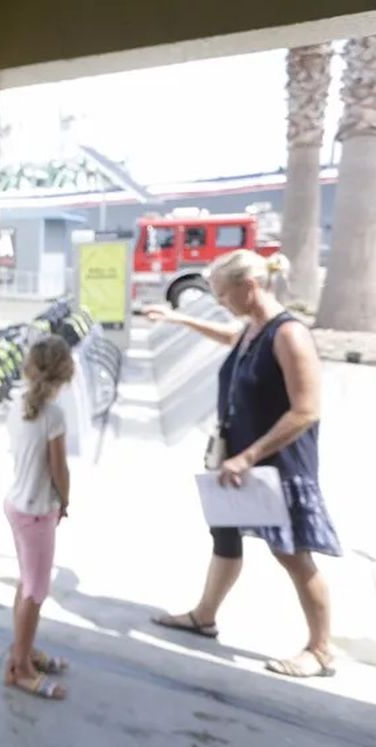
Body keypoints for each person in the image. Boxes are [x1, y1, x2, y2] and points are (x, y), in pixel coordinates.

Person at [148, 250, 341, 678]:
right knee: (226, 537)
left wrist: (250, 455)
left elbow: (306, 410)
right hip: (237, 463)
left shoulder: (289, 334)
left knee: (292, 554)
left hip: (276, 466)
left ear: (248, 287)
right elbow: (226, 336)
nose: (221, 303)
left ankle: (322, 649)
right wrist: (178, 320)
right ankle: (204, 615)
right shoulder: (253, 329)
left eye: (222, 294)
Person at [3, 335, 75, 700]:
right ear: (65, 372)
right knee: (35, 591)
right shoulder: (54, 415)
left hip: (16, 505)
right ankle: (21, 669)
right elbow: (58, 467)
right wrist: (65, 501)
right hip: (37, 513)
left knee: (26, 583)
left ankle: (24, 648)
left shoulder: (17, 403)